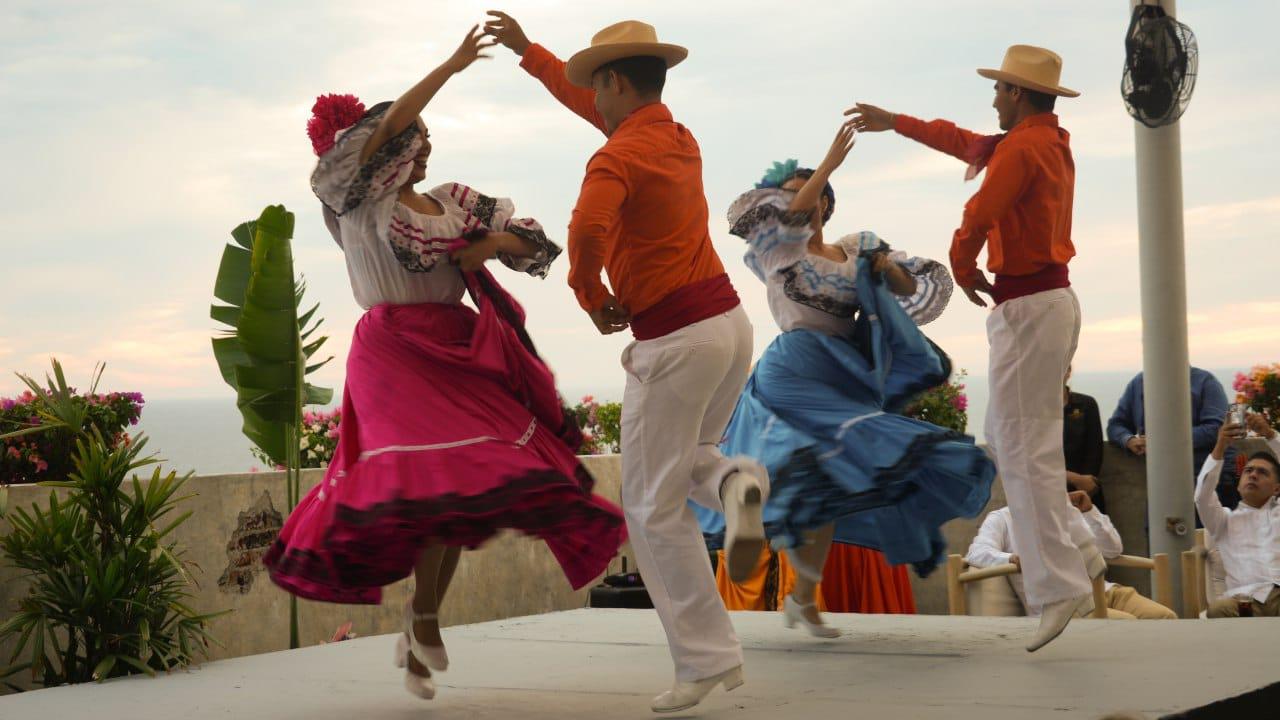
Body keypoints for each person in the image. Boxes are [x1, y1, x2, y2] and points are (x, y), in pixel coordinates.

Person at [263, 27, 626, 701]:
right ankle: (422, 619)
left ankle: (424, 617)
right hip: (393, 349)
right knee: (429, 476)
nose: (425, 142)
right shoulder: (359, 202)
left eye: (429, 134)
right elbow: (378, 132)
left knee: (465, 483)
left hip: (458, 347)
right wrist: (451, 67)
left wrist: (489, 242)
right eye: (416, 134)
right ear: (387, 149)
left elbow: (532, 244)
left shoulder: (454, 203)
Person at [485, 13, 769, 713]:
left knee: (649, 508)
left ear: (614, 81)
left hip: (674, 340)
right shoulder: (675, 137)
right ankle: (736, 483)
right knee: (696, 454)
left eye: (596, 86)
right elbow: (591, 108)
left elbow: (585, 229)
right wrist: (531, 54)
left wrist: (590, 294)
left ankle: (705, 659)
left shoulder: (614, 159)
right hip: (729, 327)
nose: (592, 99)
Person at [693, 127, 994, 636]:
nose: (796, 201)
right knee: (829, 461)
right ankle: (747, 528)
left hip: (843, 374)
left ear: (827, 206)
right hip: (793, 370)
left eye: (807, 194)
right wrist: (828, 162)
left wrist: (881, 270)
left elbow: (909, 285)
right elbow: (788, 217)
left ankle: (803, 599)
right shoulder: (778, 253)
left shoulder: (853, 249)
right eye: (788, 194)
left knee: (826, 486)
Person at [849, 44, 1098, 651]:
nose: (993, 98)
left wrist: (961, 267)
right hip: (1038, 306)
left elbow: (978, 212)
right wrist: (896, 122)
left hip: (1032, 308)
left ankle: (1063, 585)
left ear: (1016, 93)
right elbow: (962, 141)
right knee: (1014, 442)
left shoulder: (1024, 148)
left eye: (999, 90)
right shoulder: (1038, 142)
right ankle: (1075, 565)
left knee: (1024, 450)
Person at [967, 491, 1176, 619]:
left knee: (1165, 618)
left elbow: (1113, 550)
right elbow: (976, 552)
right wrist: (1010, 558)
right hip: (1065, 606)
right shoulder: (1003, 518)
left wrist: (1089, 512)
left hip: (1106, 591)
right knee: (1128, 626)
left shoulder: (1065, 511)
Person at [1196, 412, 1280, 618]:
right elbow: (1202, 496)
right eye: (1248, 470)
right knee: (1217, 611)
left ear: (1277, 488)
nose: (1253, 474)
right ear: (1239, 483)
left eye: (1262, 472)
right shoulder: (1223, 520)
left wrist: (1269, 434)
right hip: (1245, 600)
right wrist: (1221, 446)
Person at [1107, 367, 1229, 488]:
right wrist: (1129, 440)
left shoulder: (1205, 381)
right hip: (1158, 478)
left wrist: (1163, 440)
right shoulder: (1138, 383)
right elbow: (1115, 425)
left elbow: (1216, 429)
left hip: (1205, 476)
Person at [1063, 366, 1106, 513]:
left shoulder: (1086, 404)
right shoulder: (1033, 411)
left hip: (1087, 488)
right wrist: (1073, 478)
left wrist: (1084, 483)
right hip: (1048, 492)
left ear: (1068, 371)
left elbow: (1094, 450)